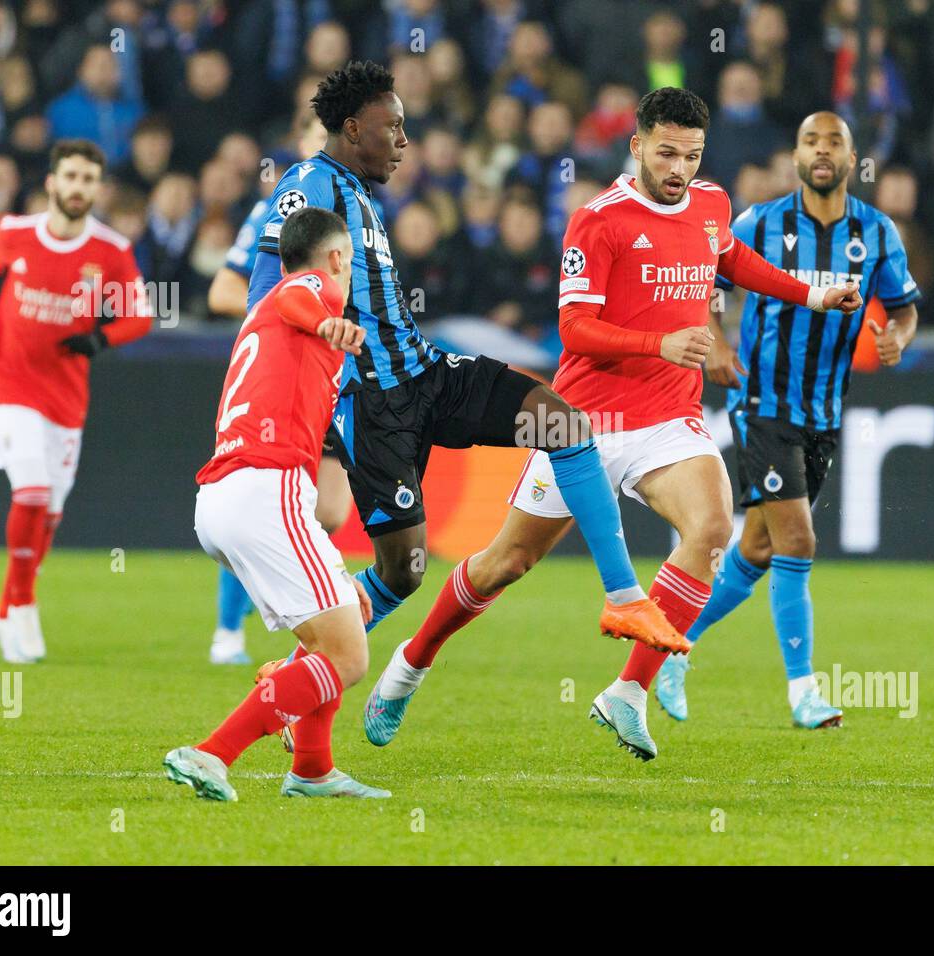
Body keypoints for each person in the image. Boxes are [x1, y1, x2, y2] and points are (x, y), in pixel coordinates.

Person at [357, 91, 862, 762]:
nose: (679, 169)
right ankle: (410, 664)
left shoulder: (710, 203)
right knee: (505, 563)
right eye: (666, 153)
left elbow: (731, 257)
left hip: (668, 419)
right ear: (637, 146)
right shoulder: (600, 221)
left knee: (712, 527)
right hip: (585, 424)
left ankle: (628, 692)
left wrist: (812, 293)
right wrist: (660, 344)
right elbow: (575, 330)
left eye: (691, 156)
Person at [247, 61, 686, 657]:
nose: (405, 141)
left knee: (565, 426)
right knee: (402, 573)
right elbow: (267, 291)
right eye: (393, 128)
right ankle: (302, 676)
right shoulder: (310, 184)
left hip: (428, 374)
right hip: (374, 403)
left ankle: (624, 596)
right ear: (352, 128)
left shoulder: (360, 194)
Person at [654, 111, 922, 730]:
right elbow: (702, 279)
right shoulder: (759, 223)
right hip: (765, 405)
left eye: (834, 141)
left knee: (759, 546)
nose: (821, 150)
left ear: (852, 160)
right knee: (798, 542)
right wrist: (714, 340)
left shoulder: (876, 233)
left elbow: (905, 309)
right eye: (809, 140)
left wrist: (898, 339)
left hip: (824, 411)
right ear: (796, 157)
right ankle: (804, 691)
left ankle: (668, 643)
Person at [165, 206, 386, 802]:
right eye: (352, 261)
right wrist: (326, 324)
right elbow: (300, 296)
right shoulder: (308, 294)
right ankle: (211, 753)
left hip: (223, 497)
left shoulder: (262, 318)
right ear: (337, 258)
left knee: (345, 614)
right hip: (267, 488)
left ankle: (312, 769)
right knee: (347, 655)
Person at [0, 139, 153, 663]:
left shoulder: (110, 251)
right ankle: (22, 610)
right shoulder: (15, 232)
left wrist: (100, 339)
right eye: (69, 177)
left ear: (98, 187)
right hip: (7, 380)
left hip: (65, 393)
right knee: (31, 490)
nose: (77, 188)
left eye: (88, 179)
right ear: (51, 181)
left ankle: (2, 608)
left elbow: (139, 316)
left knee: (49, 509)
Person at [202, 112, 345, 666]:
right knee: (268, 496)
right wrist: (299, 323)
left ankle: (307, 640)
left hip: (336, 375)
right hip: (284, 374)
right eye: (315, 140)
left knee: (328, 513)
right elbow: (223, 291)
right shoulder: (280, 212)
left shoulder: (360, 212)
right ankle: (230, 631)